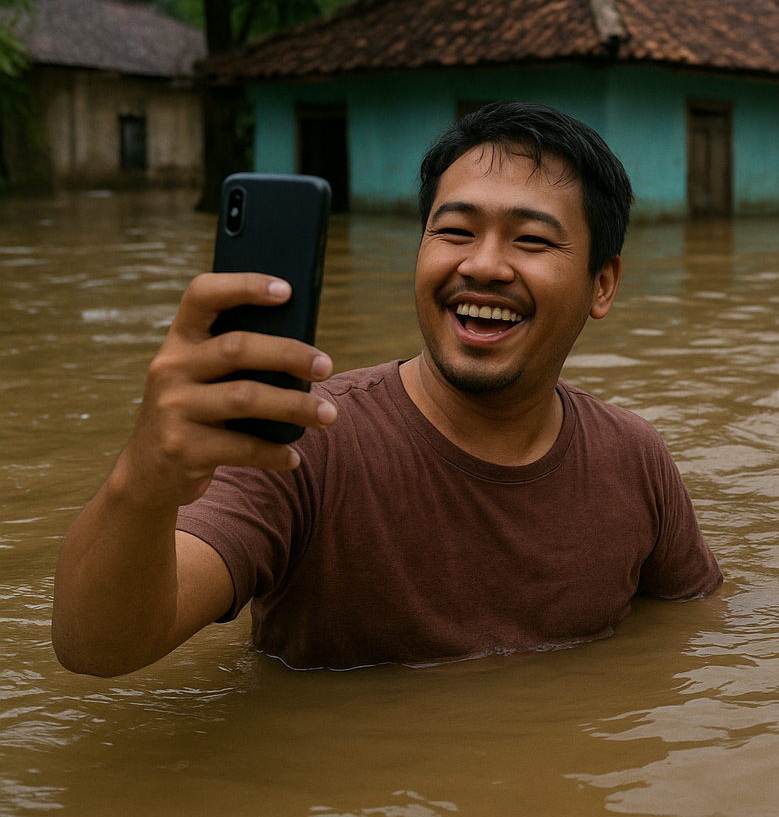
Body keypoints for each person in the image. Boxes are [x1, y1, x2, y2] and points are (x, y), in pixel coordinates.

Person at [51, 102, 721, 673]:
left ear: (603, 285)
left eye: (531, 241)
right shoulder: (306, 441)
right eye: (454, 231)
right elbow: (97, 647)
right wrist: (142, 479)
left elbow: (695, 635)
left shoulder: (635, 460)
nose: (482, 265)